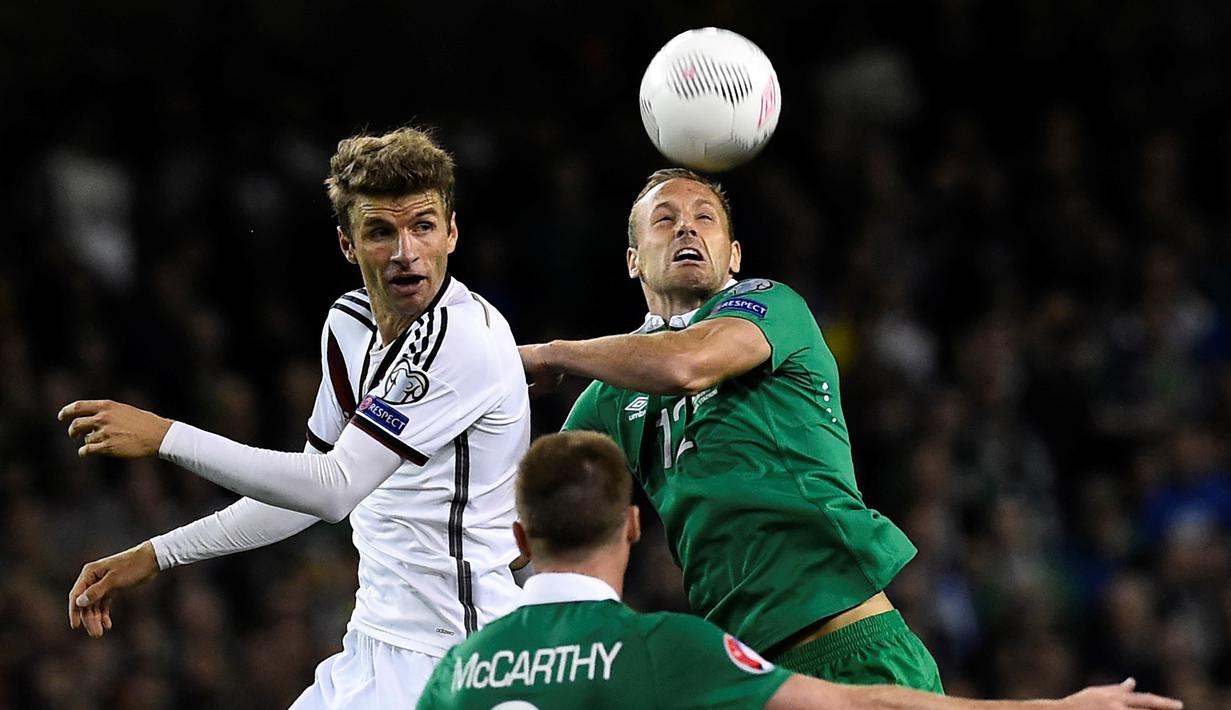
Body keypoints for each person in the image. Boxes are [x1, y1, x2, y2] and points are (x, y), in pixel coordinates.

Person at [59, 126, 531, 708]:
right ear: (347, 244)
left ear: (452, 233)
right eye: (381, 232)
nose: (406, 252)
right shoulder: (349, 324)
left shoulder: (463, 339)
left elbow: (333, 492)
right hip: (374, 646)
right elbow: (304, 491)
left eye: (423, 227)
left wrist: (165, 436)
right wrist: (158, 552)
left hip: (460, 657)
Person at [518, 167, 938, 689]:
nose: (686, 229)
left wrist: (553, 353)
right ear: (633, 261)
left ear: (734, 254)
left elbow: (686, 364)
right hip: (749, 678)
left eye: (704, 218)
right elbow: (537, 507)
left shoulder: (771, 306)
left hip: (851, 652)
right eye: (664, 220)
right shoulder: (610, 396)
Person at [417, 431, 1181, 710]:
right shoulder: (670, 649)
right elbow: (864, 708)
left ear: (520, 534)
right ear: (631, 526)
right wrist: (1059, 708)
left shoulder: (453, 676)